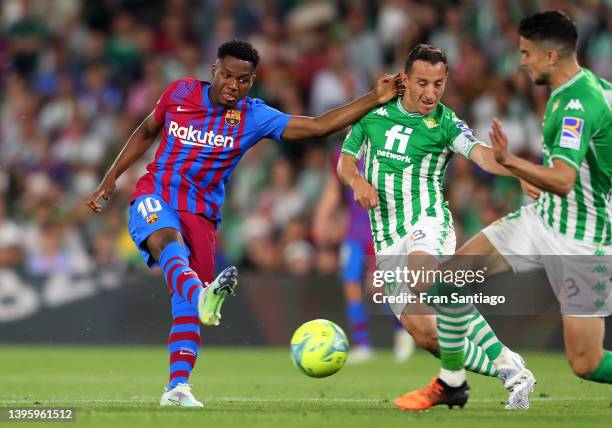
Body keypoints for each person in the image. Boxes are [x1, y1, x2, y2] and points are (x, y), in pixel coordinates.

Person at [86, 40, 401, 408]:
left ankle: (177, 388)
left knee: (186, 306)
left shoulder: (254, 116)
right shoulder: (180, 92)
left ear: (252, 82)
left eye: (244, 80)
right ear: (213, 71)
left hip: (202, 215)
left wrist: (374, 98)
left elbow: (318, 126)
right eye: (228, 76)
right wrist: (112, 175)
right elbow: (145, 131)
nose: (233, 86)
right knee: (168, 241)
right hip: (155, 194)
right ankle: (203, 295)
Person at [401, 9, 612, 409]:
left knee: (586, 362)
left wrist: (513, 163)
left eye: (527, 53)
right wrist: (535, 175)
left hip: (582, 238)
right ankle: (453, 383)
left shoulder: (577, 104)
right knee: (446, 282)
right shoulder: (583, 90)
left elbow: (565, 179)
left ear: (551, 56)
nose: (521, 60)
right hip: (540, 219)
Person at [337, 44, 535, 411]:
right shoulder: (371, 114)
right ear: (405, 80)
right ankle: (511, 367)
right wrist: (357, 183)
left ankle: (510, 370)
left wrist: (520, 170)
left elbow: (481, 155)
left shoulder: (445, 122)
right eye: (423, 83)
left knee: (423, 276)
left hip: (427, 221)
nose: (431, 93)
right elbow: (346, 162)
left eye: (438, 84)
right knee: (426, 335)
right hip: (386, 238)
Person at [313, 146, 415, 364]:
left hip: (382, 229)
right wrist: (322, 219)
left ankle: (402, 334)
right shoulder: (340, 154)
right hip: (354, 231)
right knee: (350, 281)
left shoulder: (386, 148)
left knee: (382, 286)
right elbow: (334, 187)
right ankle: (362, 344)